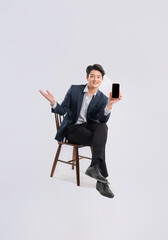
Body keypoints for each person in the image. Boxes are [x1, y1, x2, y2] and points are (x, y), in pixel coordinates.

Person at [39, 64, 122, 198]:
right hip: (73, 129)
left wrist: (110, 105)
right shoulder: (74, 90)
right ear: (87, 77)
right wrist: (53, 103)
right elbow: (63, 110)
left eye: (98, 77)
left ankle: (94, 167)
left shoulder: (103, 98)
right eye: (92, 76)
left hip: (89, 128)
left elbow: (102, 120)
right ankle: (102, 181)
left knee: (103, 128)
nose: (95, 79)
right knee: (99, 141)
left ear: (102, 80)